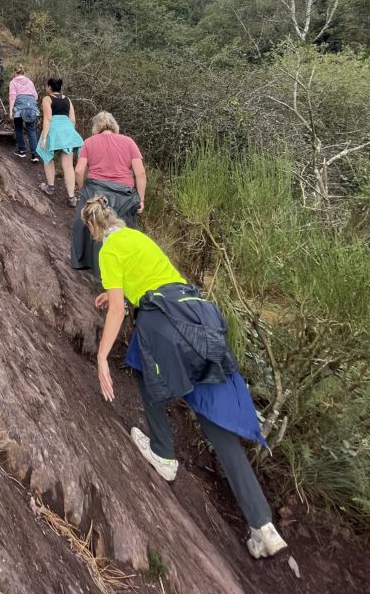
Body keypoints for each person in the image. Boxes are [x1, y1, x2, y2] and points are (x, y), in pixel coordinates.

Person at [82, 196, 288, 561]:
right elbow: (148, 281)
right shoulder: (139, 239)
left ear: (94, 229)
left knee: (142, 368)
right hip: (199, 316)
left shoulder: (108, 249)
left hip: (164, 323)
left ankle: (163, 453)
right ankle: (263, 525)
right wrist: (113, 291)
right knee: (216, 424)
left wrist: (101, 356)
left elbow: (119, 309)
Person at [71, 112, 146, 276]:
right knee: (124, 233)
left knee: (84, 225)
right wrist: (141, 199)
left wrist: (85, 190)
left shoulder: (89, 142)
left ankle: (84, 264)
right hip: (124, 196)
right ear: (114, 126)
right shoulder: (128, 142)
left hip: (96, 191)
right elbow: (140, 173)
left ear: (96, 127)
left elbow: (78, 171)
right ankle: (126, 270)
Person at [36, 78, 83, 206]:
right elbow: (72, 119)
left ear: (49, 87)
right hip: (67, 130)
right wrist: (69, 133)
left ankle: (50, 187)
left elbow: (48, 118)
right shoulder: (67, 99)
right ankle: (71, 197)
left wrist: (45, 137)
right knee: (68, 165)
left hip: (54, 129)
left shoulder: (47, 99)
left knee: (47, 158)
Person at [8, 65, 39, 161]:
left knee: (18, 128)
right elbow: (36, 96)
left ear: (15, 73)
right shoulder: (30, 82)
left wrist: (10, 111)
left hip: (19, 107)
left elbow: (12, 97)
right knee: (32, 130)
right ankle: (34, 155)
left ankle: (22, 151)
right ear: (23, 72)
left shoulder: (13, 82)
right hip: (31, 107)